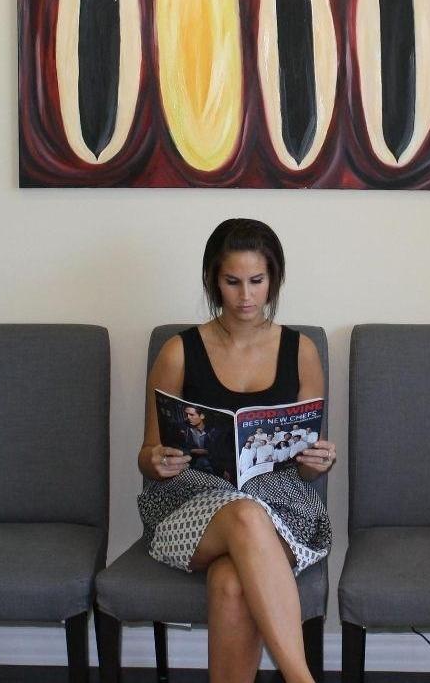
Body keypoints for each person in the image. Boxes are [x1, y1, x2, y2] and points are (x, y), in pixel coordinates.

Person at [136, 218, 336, 683]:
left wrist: (316, 462)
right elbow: (146, 454)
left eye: (257, 281)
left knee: (231, 580)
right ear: (213, 280)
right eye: (232, 282)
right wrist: (158, 460)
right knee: (244, 514)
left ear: (274, 280)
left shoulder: (301, 351)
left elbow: (307, 465)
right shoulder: (179, 351)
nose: (246, 296)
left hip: (281, 503)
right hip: (191, 505)